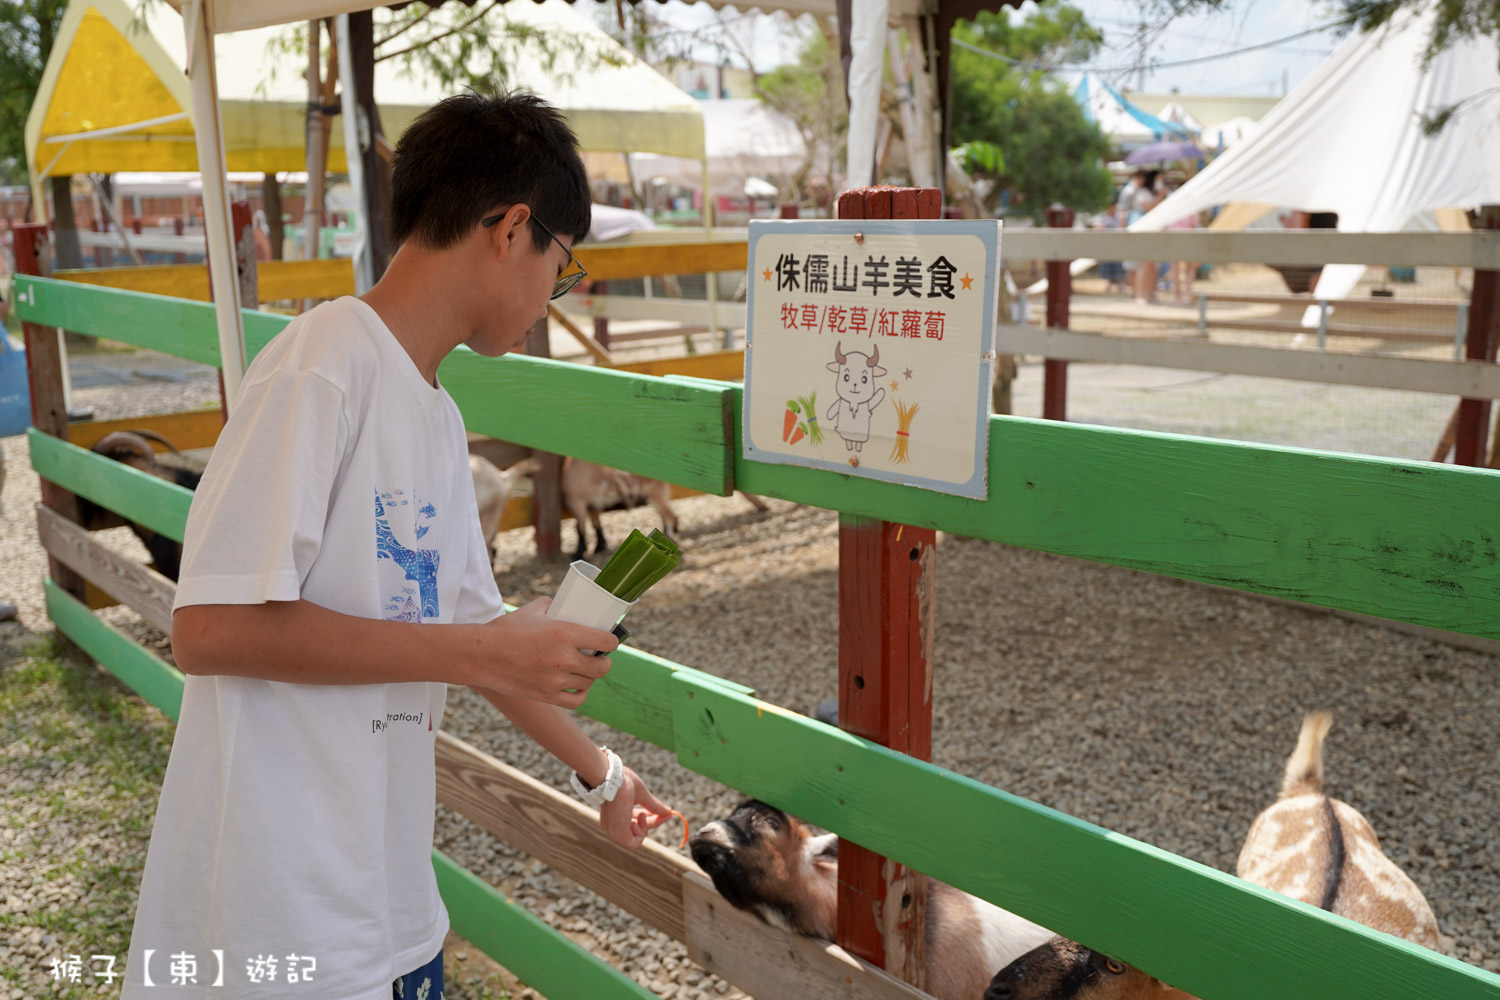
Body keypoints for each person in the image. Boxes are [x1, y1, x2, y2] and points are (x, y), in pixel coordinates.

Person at [120, 89, 672, 1000]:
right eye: (563, 268)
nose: (552, 297)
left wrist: (603, 773)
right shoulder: (321, 362)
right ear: (511, 229)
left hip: (390, 912)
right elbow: (209, 628)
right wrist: (485, 646)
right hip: (282, 918)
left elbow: (472, 633)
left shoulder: (435, 413)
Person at [1164, 182, 1200, 305]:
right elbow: (1193, 225)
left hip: (1174, 238)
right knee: (1189, 268)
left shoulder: (1171, 205)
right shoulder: (1191, 205)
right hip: (1187, 238)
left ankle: (1178, 296)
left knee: (1175, 268)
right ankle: (1187, 295)